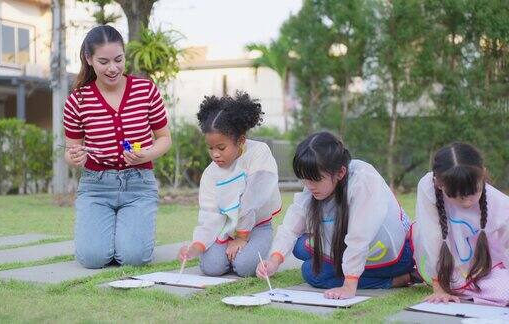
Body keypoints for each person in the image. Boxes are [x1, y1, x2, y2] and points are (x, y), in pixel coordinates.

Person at [257, 131, 414, 299]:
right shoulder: (318, 182)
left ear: (340, 173)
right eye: (305, 179)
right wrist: (274, 261)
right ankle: (360, 273)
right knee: (300, 247)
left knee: (311, 273)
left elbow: (358, 238)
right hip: (351, 247)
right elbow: (293, 222)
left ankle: (396, 279)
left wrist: (349, 284)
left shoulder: (363, 182)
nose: (309, 186)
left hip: (393, 254)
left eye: (315, 179)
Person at [63, 25, 171, 268]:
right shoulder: (77, 100)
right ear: (89, 59)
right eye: (103, 61)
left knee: (134, 259)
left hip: (138, 185)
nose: (112, 68)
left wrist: (146, 153)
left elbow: (164, 138)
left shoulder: (146, 90)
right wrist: (75, 156)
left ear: (124, 56)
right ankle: (108, 238)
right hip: (96, 186)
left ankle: (126, 238)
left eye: (118, 60)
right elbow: (72, 151)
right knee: (92, 259)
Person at [177, 92, 281, 277]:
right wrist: (197, 246)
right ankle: (232, 252)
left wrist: (242, 237)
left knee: (243, 266)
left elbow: (253, 199)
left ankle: (255, 246)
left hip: (258, 227)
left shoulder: (259, 153)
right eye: (210, 148)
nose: (215, 154)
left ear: (240, 140)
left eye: (221, 148)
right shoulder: (211, 173)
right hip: (227, 229)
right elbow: (210, 214)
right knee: (211, 267)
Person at [413, 142, 509, 305]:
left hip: (483, 269)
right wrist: (439, 287)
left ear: (483, 175)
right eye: (456, 197)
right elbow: (430, 237)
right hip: (441, 267)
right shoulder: (428, 186)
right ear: (439, 183)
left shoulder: (500, 204)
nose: (466, 202)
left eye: (473, 193)